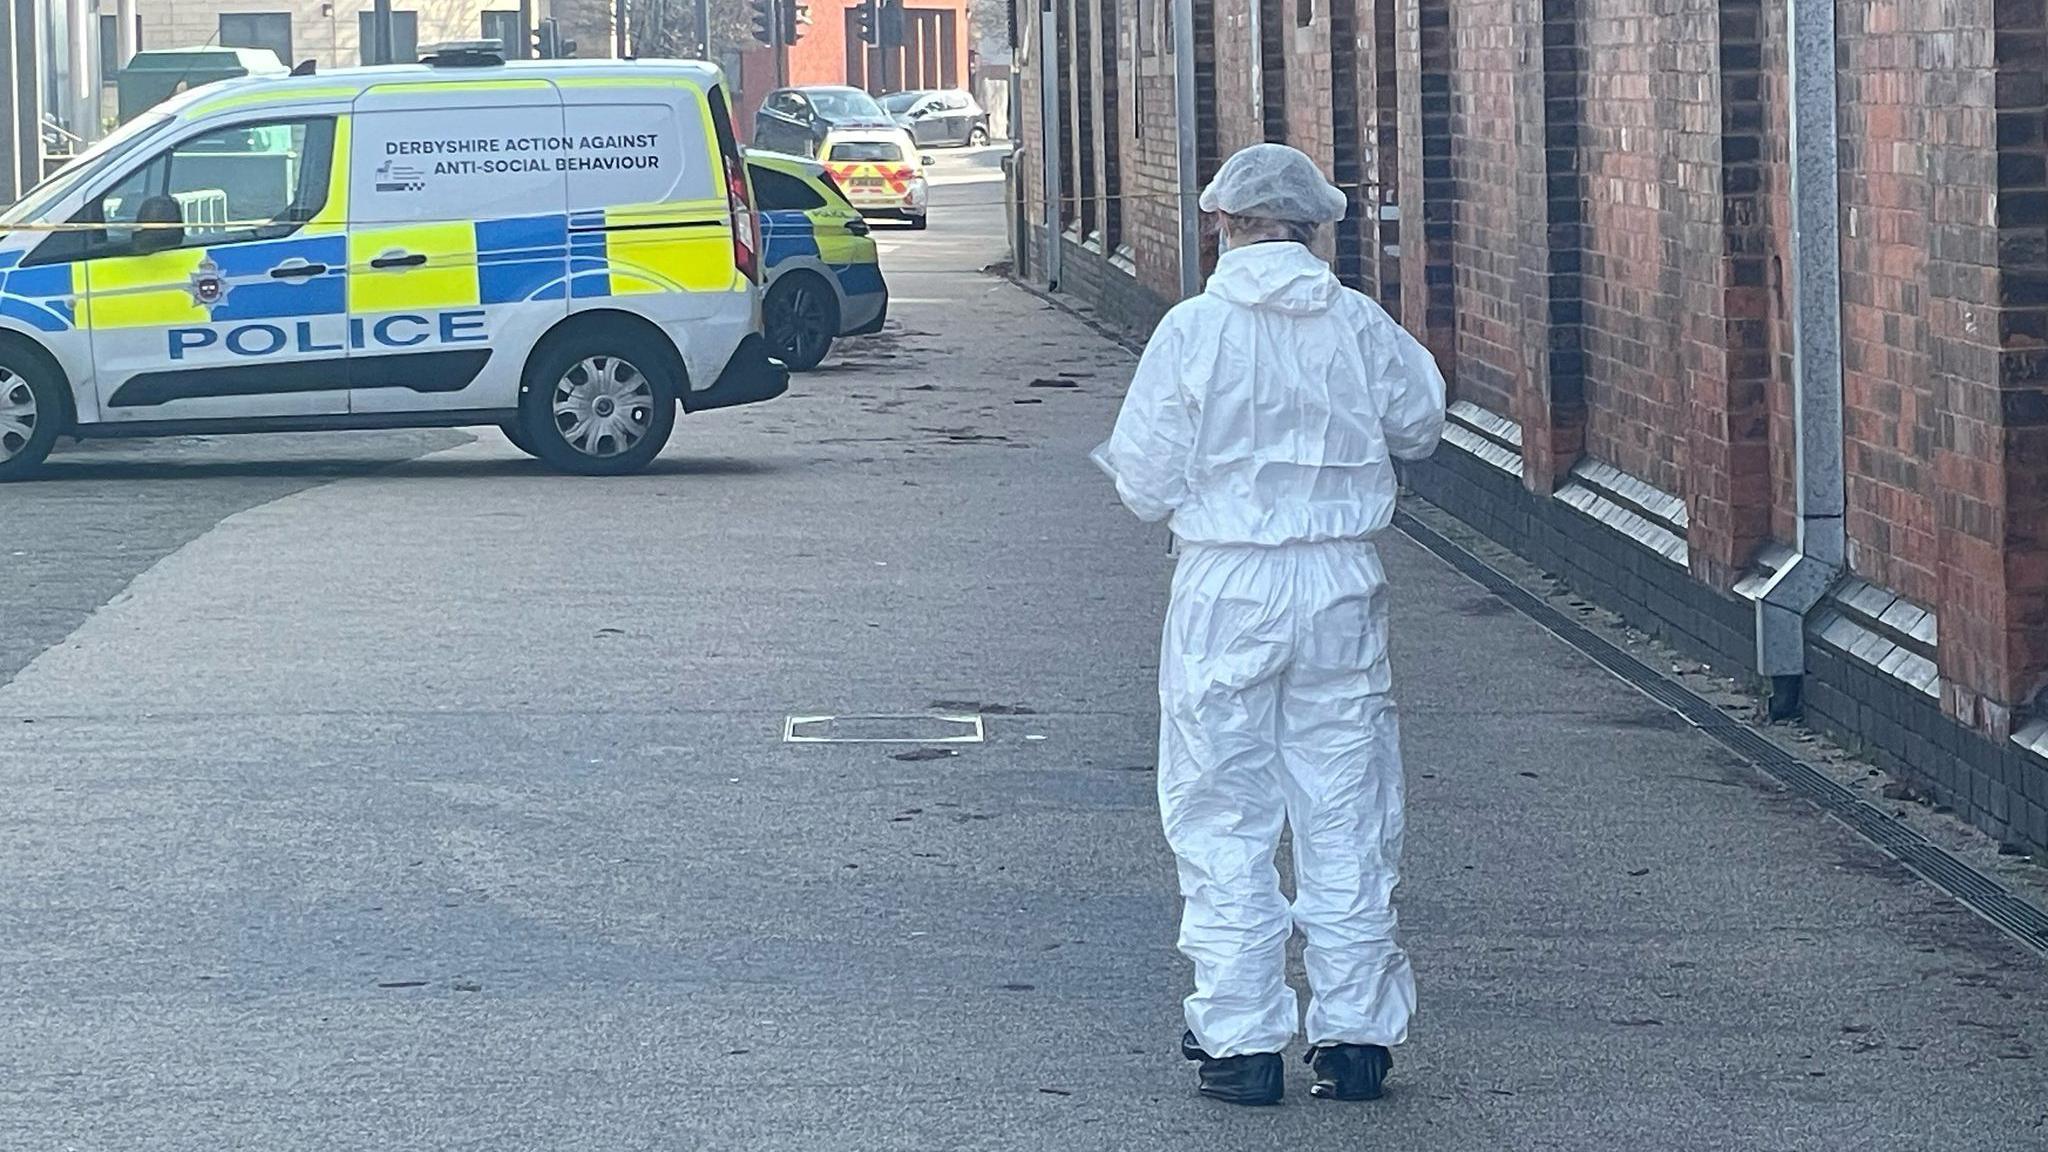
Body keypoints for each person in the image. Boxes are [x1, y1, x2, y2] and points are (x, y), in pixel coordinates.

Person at [1092, 143, 1446, 1107]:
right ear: (1314, 228)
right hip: (1340, 581)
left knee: (1221, 807)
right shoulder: (1360, 327)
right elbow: (1421, 424)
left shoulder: (1192, 333)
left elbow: (1144, 482)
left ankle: (1243, 1040)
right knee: (1347, 800)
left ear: (1222, 223)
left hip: (1226, 584)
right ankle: (1356, 1033)